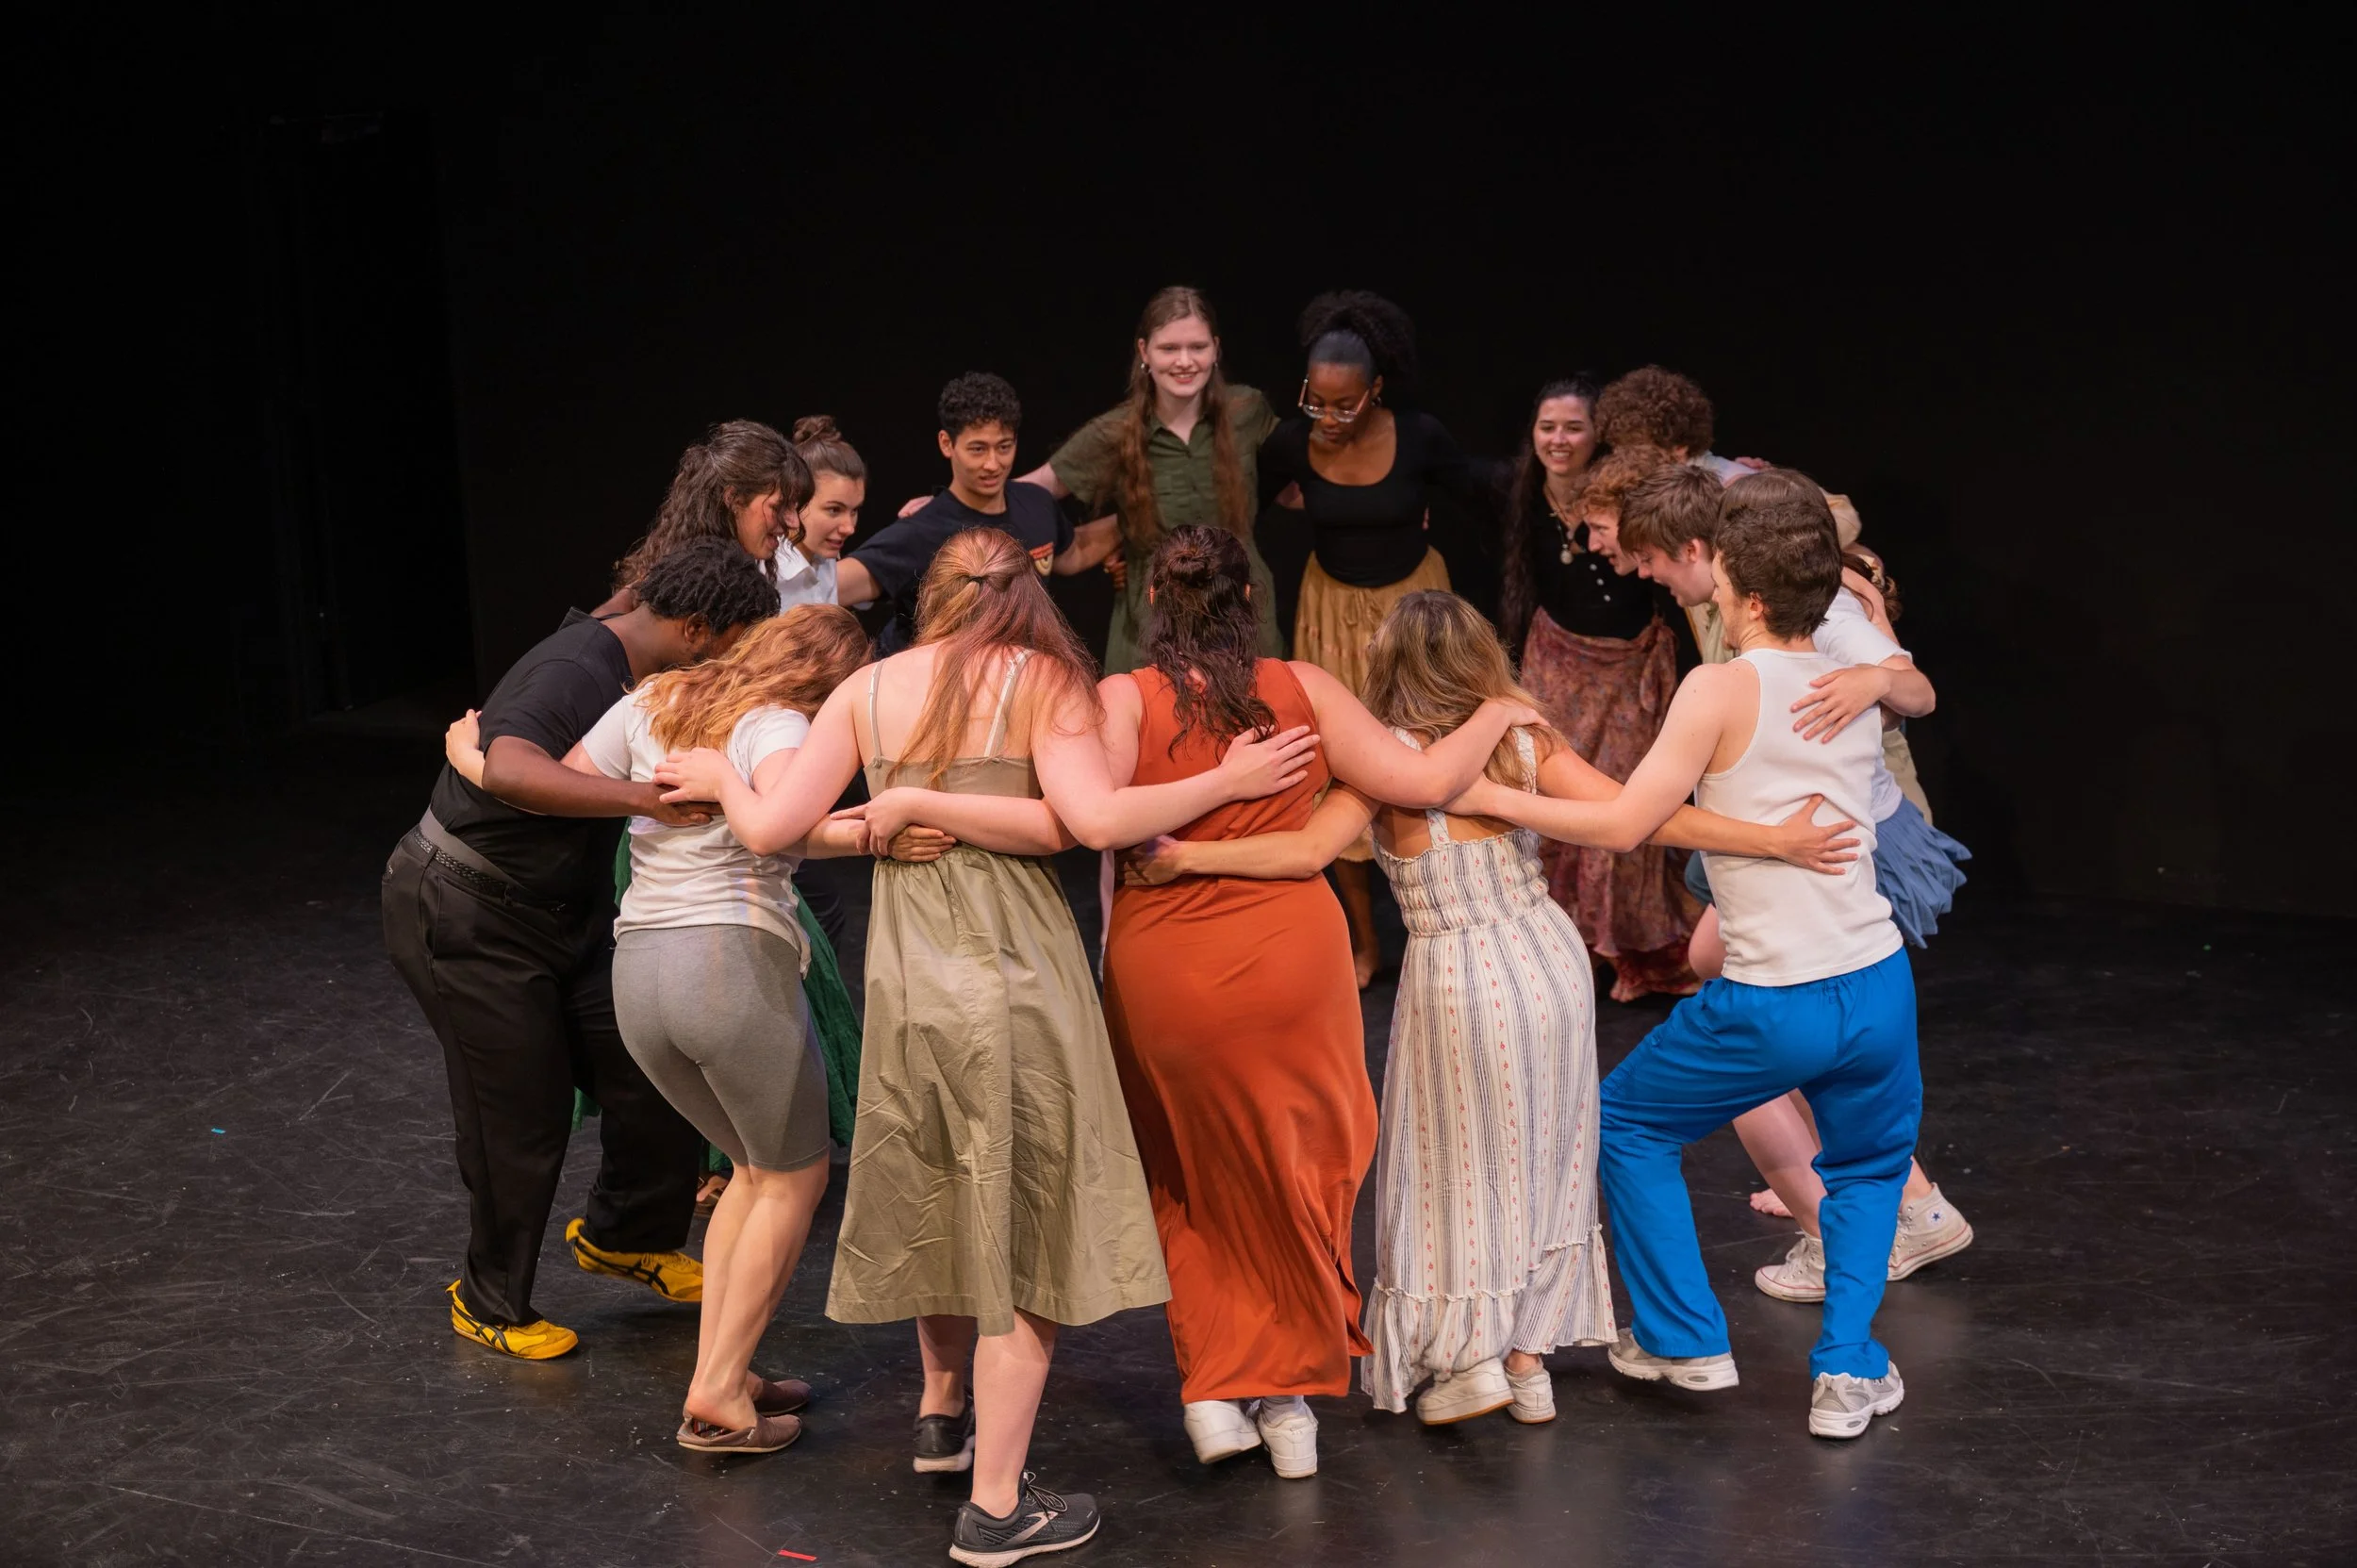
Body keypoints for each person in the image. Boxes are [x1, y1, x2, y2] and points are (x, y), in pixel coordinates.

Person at [655, 527, 1320, 1565]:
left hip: (909, 982)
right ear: (1025, 598)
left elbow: (776, 824)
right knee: (1022, 1229)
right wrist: (1225, 783)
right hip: (1010, 977)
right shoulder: (1042, 679)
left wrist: (734, 781)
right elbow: (1086, 822)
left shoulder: (870, 690)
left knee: (945, 1193)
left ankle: (939, 1411)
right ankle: (999, 1508)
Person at [1122, 587, 1857, 1430]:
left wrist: (1189, 861)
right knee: (1546, 1159)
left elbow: (1309, 850)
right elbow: (1640, 816)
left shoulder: (1380, 760)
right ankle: (1527, 1361)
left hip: (1458, 974)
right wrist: (1776, 839)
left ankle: (1470, 1356)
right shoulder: (1518, 739)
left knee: (1453, 1171)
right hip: (1546, 964)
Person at [1449, 496, 1921, 1441]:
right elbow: (1909, 685)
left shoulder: (1720, 686)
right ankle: (1844, 1373)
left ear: (1740, 595)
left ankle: (1681, 1337)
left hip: (1770, 995)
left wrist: (1497, 791)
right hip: (1875, 982)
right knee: (1869, 1171)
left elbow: (1627, 823)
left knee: (1624, 1120)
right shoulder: (1861, 669)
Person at [1088, 530, 1540, 1477]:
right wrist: (1496, 709)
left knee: (1190, 1171)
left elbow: (1089, 823)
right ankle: (1288, 1399)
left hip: (1164, 957)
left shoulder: (1121, 699)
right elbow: (1422, 782)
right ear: (1250, 598)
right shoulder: (1301, 687)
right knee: (1301, 1162)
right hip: (1289, 955)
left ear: (1155, 611)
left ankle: (1215, 1389)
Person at [445, 605, 899, 1451]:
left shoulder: (659, 697)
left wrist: (472, 756)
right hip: (726, 968)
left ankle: (725, 1370)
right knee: (794, 1178)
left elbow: (567, 785)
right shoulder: (779, 724)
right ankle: (720, 1392)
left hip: (640, 973)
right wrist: (887, 825)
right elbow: (782, 823)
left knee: (755, 1173)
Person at [383, 539, 778, 1361]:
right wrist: (648, 800)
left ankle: (625, 1234)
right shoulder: (577, 668)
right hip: (469, 911)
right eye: (738, 643)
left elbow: (635, 586)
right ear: (699, 630)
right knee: (519, 1115)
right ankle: (489, 1298)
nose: (740, 663)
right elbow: (513, 768)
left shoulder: (637, 645)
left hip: (560, 912)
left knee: (653, 1063)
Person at [1661, 475, 1976, 1301]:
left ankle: (1890, 1208)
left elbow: (1919, 691)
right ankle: (1861, 1191)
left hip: (1850, 839)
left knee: (1768, 1009)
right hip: (1801, 836)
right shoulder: (1767, 619)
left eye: (1677, 562)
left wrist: (1874, 679)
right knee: (1722, 967)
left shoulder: (1826, 610)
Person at [1258, 290, 1490, 986]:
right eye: (1316, 402)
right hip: (1330, 611)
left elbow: (1483, 491)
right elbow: (1241, 500)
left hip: (1411, 610)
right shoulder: (1292, 444)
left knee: (1432, 760)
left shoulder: (1419, 436)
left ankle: (1447, 921)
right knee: (1337, 771)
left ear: (1375, 389)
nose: (1327, 418)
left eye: (1345, 405)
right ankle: (1364, 940)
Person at [1510, 436, 1706, 1001]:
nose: (1591, 542)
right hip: (1563, 667)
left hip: (1631, 675)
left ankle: (1622, 944)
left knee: (1623, 804)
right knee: (1564, 798)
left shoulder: (1677, 572)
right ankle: (1569, 940)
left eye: (1601, 529)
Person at [1030, 286, 1287, 670]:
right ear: (1144, 351)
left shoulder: (1246, 411)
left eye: (1197, 347)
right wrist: (946, 501)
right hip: (1155, 622)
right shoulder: (1117, 431)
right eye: (1169, 348)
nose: (1185, 361)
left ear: (1215, 349)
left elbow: (1301, 473)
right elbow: (1033, 489)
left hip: (1242, 612)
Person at [835, 372, 1117, 654]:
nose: (993, 464)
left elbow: (1074, 552)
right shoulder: (920, 531)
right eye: (978, 449)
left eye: (1004, 447)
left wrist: (1135, 522)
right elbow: (832, 587)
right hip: (932, 688)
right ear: (947, 444)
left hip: (1009, 680)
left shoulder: (1037, 504)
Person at [600, 420, 816, 616]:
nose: (794, 522)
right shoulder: (682, 591)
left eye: (794, 507)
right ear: (734, 498)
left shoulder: (742, 575)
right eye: (778, 506)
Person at [772, 415, 868, 608]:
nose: (849, 528)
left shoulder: (826, 563)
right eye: (834, 509)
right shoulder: (764, 575)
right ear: (794, 501)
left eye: (854, 511)